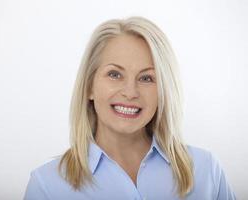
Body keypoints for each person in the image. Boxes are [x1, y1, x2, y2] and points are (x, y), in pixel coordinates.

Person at [23, 16, 236, 200]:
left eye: (146, 78)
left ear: (163, 92)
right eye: (115, 74)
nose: (130, 92)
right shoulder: (47, 186)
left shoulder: (206, 170)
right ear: (89, 86)